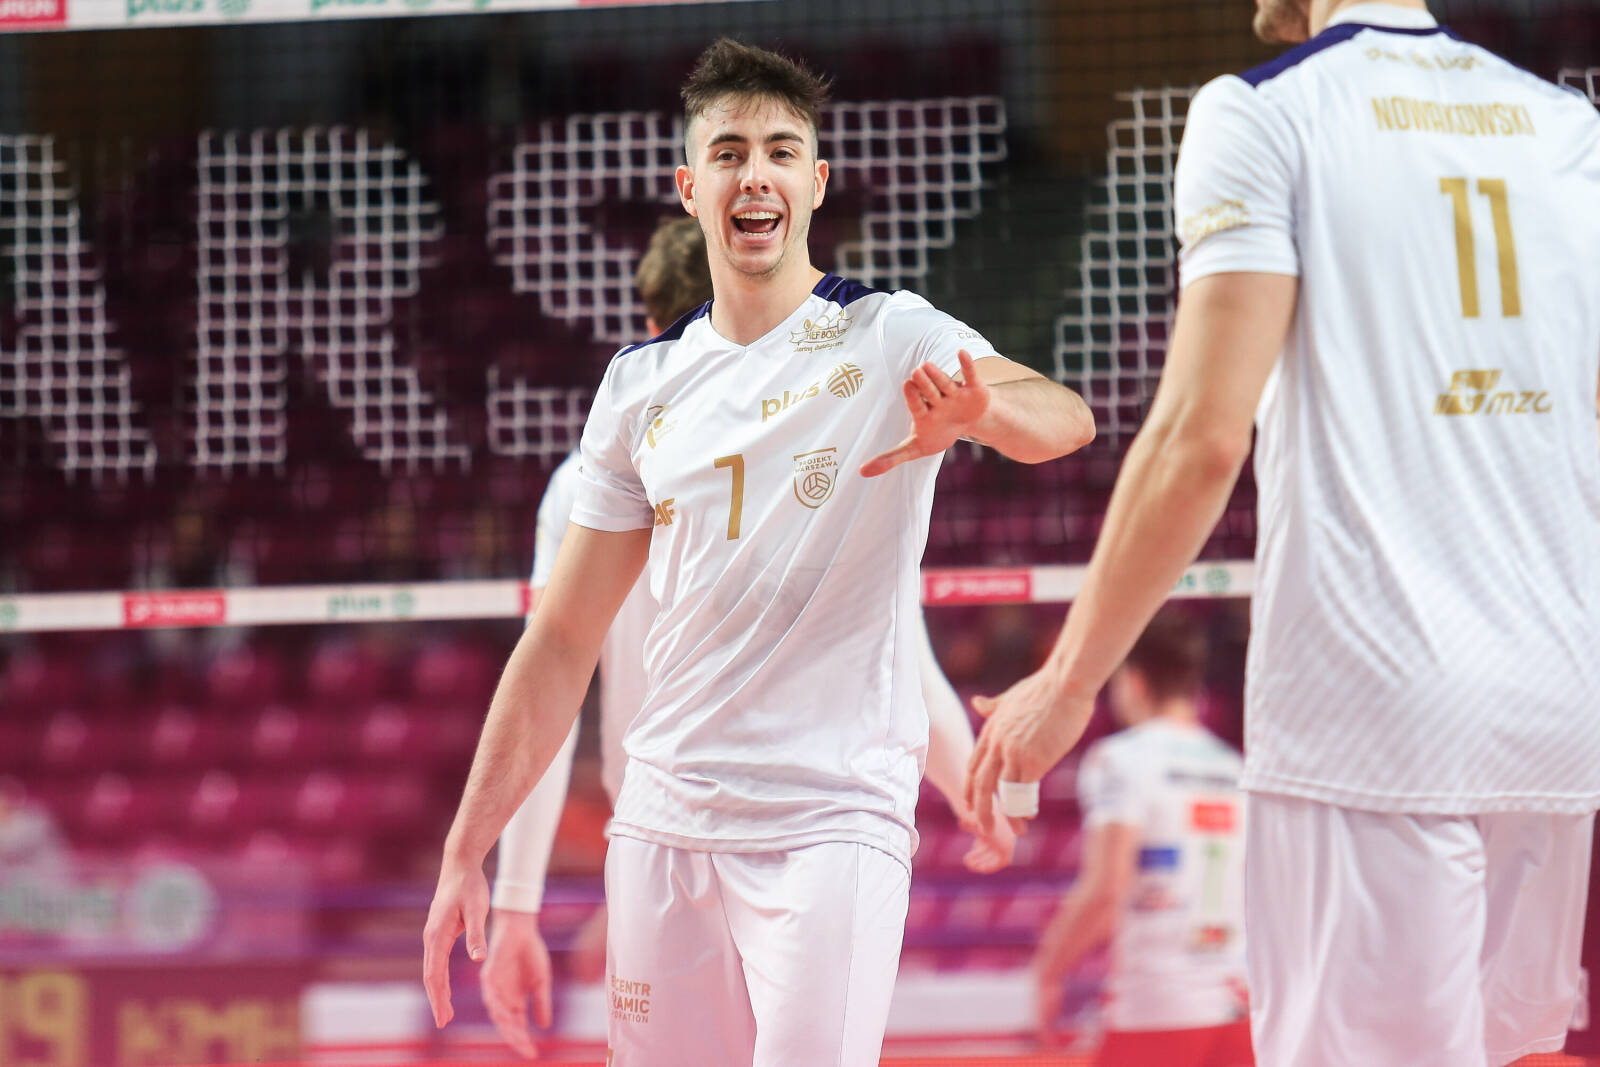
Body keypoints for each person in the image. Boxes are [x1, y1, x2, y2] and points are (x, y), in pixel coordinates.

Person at [424, 36, 1095, 1067]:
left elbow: (1065, 418)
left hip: (830, 817)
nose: (756, 174)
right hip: (663, 820)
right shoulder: (639, 385)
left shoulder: (888, 331)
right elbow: (558, 642)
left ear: (814, 183)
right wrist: (466, 847)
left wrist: (980, 412)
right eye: (729, 152)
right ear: (690, 187)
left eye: (781, 151)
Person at [966, 2, 1600, 1065]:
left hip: (1377, 715)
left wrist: (1068, 681)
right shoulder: (1565, 126)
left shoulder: (1265, 112)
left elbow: (1199, 438)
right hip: (1557, 709)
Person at [478, 214, 1021, 1058]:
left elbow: (549, 681)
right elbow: (905, 657)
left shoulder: (581, 484)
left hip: (682, 826)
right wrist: (969, 788)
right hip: (746, 824)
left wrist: (515, 898)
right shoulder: (824, 441)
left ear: (651, 326)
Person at [1032, 611, 1249, 1067]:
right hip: (1237, 1005)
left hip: (1157, 1003)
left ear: (1134, 682)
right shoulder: (1235, 768)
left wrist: (1048, 971)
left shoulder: (1120, 760)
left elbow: (1106, 891)